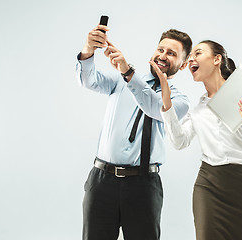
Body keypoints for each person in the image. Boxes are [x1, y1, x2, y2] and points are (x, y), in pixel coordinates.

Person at [75, 23, 192, 240]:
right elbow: (88, 80)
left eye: (172, 53)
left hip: (143, 186)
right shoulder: (122, 80)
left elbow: (155, 106)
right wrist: (88, 50)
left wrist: (128, 72)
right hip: (102, 182)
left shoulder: (180, 101)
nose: (163, 56)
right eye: (161, 49)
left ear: (183, 65)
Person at [150, 40, 242, 240]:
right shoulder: (198, 109)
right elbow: (179, 141)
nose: (192, 60)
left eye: (198, 53)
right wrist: (166, 103)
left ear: (217, 59)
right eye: (189, 58)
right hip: (209, 185)